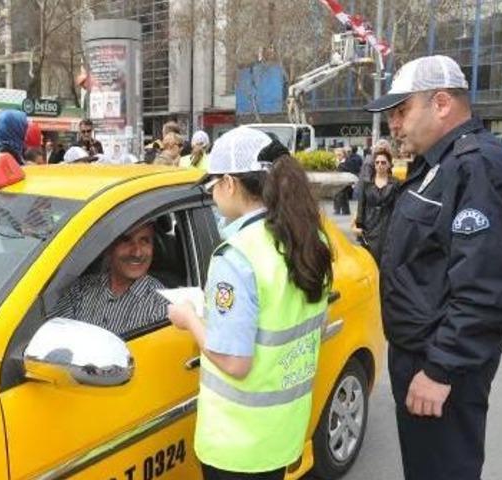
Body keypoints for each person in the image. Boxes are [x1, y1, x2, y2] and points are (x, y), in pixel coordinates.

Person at [363, 54, 502, 480]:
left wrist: (439, 369)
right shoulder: (438, 165)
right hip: (419, 357)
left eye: (401, 111)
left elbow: (486, 290)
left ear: (440, 104)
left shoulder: (478, 167)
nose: (394, 124)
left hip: (441, 371)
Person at [168, 126, 332, 479]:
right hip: (282, 432)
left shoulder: (237, 256)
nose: (212, 196)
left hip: (237, 445)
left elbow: (235, 361)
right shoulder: (310, 238)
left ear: (229, 182)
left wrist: (190, 319)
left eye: (212, 186)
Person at [47, 222, 169, 336]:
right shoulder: (80, 289)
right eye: (126, 240)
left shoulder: (162, 306)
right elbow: (54, 337)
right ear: (109, 247)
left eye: (144, 241)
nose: (136, 253)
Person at [352, 150, 400, 262]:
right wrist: (359, 227)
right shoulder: (366, 183)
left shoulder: (395, 183)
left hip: (388, 226)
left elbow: (398, 207)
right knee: (369, 260)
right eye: (377, 162)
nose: (380, 165)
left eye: (383, 162)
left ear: (389, 164)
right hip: (370, 227)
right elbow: (361, 206)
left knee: (387, 261)